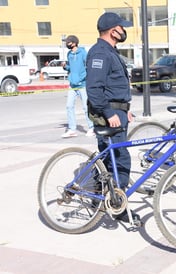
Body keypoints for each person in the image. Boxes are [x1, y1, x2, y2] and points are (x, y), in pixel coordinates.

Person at [86, 12, 138, 224]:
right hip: (109, 114)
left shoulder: (110, 51)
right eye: (121, 27)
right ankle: (117, 206)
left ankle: (101, 198)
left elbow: (113, 85)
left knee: (110, 159)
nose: (124, 30)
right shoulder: (100, 53)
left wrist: (124, 109)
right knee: (120, 159)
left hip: (118, 113)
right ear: (112, 30)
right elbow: (94, 89)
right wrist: (109, 113)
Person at [61, 35, 94, 138]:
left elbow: (88, 66)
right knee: (69, 106)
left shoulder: (83, 53)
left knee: (85, 107)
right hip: (72, 85)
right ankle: (72, 129)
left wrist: (83, 78)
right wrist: (65, 67)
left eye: (69, 42)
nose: (67, 44)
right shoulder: (69, 54)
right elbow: (71, 68)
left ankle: (91, 127)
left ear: (74, 43)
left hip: (82, 84)